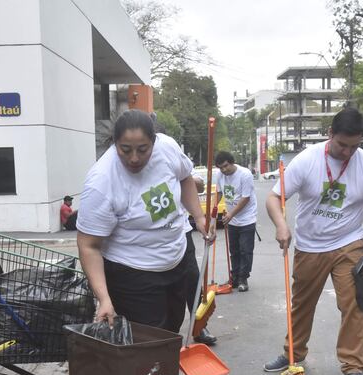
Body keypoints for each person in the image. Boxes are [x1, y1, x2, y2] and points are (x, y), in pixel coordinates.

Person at [261, 108, 363, 375]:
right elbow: (275, 198)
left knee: (356, 303)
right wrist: (281, 226)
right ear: (330, 135)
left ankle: (354, 366)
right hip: (310, 245)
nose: (348, 152)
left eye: (354, 146)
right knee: (302, 303)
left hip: (348, 243)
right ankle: (293, 353)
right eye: (342, 145)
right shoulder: (307, 161)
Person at [76, 110, 212, 332]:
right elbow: (88, 246)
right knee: (150, 340)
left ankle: (165, 365)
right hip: (133, 274)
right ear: (115, 143)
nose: (134, 158)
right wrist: (104, 299)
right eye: (125, 150)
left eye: (143, 149)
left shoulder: (167, 148)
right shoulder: (102, 181)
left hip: (176, 260)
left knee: (171, 329)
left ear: (154, 141)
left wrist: (198, 216)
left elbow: (185, 178)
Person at [214, 151, 258, 292]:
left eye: (226, 166)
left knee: (246, 250)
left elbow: (245, 198)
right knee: (234, 251)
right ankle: (234, 278)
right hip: (232, 219)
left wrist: (231, 214)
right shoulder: (220, 175)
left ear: (232, 162)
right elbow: (219, 193)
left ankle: (243, 278)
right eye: (221, 167)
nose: (224, 170)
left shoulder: (245, 174)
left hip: (247, 218)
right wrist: (213, 210)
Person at [186, 175, 216, 344]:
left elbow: (198, 186)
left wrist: (199, 218)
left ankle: (199, 327)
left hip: (179, 233)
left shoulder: (169, 152)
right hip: (147, 241)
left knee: (192, 281)